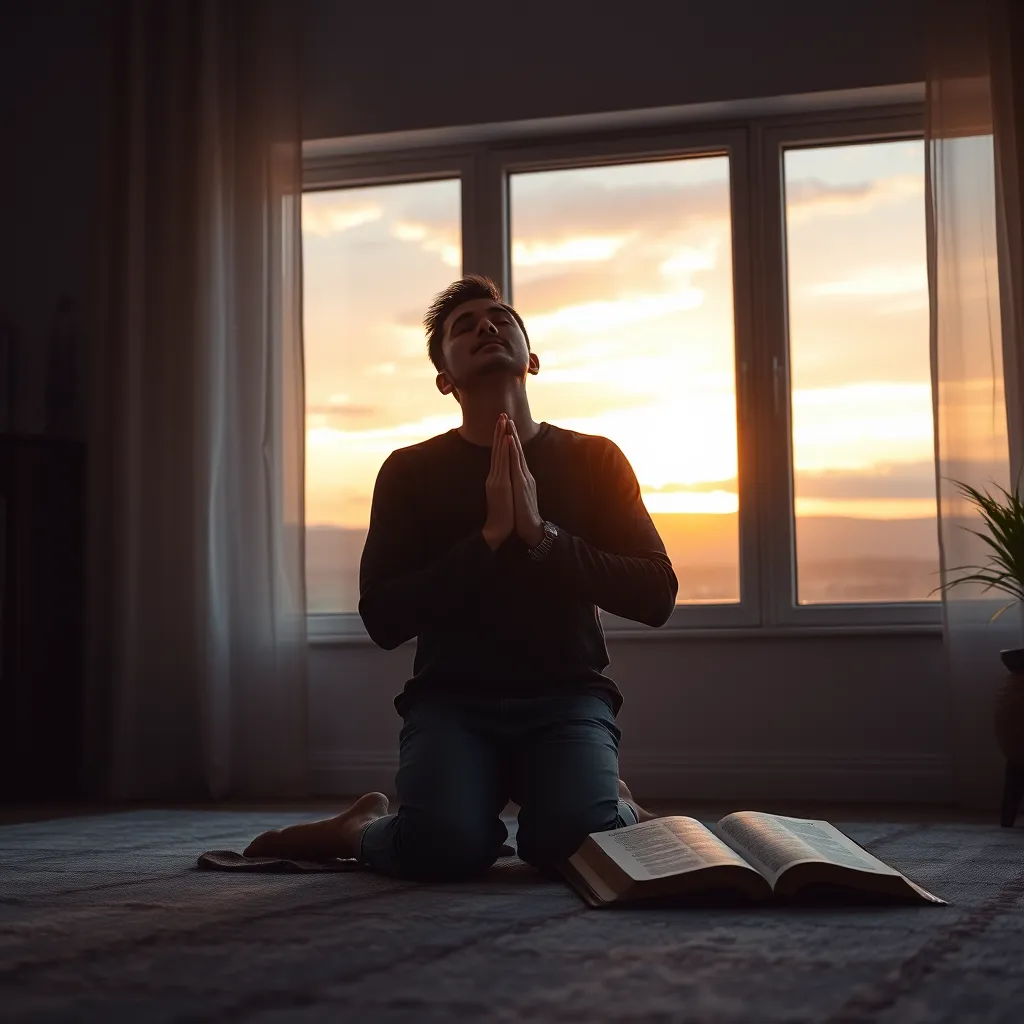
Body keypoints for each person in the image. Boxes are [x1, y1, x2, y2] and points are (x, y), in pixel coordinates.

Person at [245, 276, 678, 879]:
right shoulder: (408, 472)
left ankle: (613, 805)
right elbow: (384, 618)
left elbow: (657, 594)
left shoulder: (594, 458)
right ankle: (359, 830)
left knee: (570, 844)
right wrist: (490, 540)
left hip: (566, 698)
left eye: (499, 318)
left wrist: (541, 536)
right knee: (442, 847)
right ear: (445, 378)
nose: (485, 326)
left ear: (530, 358)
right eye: (463, 326)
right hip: (452, 703)